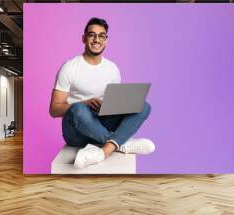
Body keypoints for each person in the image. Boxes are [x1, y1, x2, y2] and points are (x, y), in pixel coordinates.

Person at [49, 17, 155, 169]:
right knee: (78, 109)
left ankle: (106, 149)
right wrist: (84, 103)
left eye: (101, 36)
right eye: (92, 35)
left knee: (144, 106)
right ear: (84, 38)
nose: (96, 39)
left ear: (106, 40)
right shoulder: (69, 67)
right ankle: (120, 143)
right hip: (76, 131)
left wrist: (109, 106)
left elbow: (117, 104)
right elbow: (54, 109)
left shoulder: (112, 69)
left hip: (101, 122)